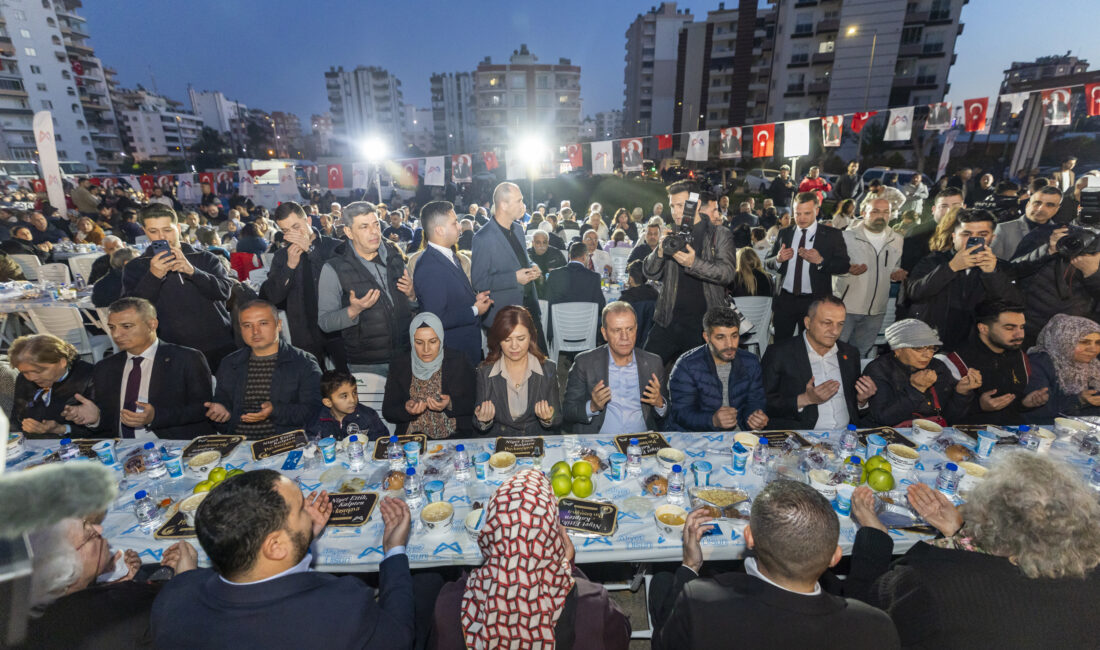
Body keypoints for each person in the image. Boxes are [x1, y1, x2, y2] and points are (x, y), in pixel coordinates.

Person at [848, 453, 1100, 649]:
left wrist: (874, 536)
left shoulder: (937, 580)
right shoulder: (1090, 573)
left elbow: (862, 618)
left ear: (988, 521)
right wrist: (959, 535)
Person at [152, 470, 415, 649]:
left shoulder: (173, 597)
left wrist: (301, 538)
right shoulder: (343, 607)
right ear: (275, 546)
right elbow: (400, 638)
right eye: (301, 509)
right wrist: (394, 549)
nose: (309, 514)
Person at [651, 480, 900, 650]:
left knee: (663, 582)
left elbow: (663, 644)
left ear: (749, 537)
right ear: (835, 557)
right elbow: (861, 600)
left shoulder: (700, 601)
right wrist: (875, 536)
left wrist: (690, 566)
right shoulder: (877, 628)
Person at [431, 470, 631, 649]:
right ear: (553, 536)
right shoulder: (592, 603)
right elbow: (621, 636)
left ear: (491, 531)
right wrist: (568, 568)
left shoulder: (450, 603)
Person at [23, 517, 197, 650]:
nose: (99, 529)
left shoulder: (32, 611)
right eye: (89, 534)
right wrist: (187, 577)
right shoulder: (113, 617)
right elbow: (189, 626)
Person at [61, 297, 214, 440]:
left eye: (126, 326)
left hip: (173, 443)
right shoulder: (106, 367)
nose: (116, 334)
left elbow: (202, 408)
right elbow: (110, 422)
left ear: (152, 324)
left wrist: (156, 417)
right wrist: (96, 418)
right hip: (124, 449)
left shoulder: (185, 358)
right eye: (112, 327)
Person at [122, 204, 236, 372]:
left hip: (217, 343)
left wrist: (193, 271)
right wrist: (153, 276)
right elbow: (131, 311)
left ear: (178, 227)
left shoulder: (204, 257)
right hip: (170, 348)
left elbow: (224, 292)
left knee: (226, 395)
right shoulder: (136, 266)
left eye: (167, 230)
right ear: (144, 231)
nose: (161, 237)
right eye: (153, 231)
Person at [318, 201, 416, 375]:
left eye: (376, 224)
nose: (374, 232)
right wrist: (353, 311)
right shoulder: (334, 268)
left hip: (406, 357)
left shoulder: (395, 258)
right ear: (348, 232)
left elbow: (411, 307)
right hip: (367, 365)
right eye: (364, 227)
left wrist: (412, 296)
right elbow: (325, 322)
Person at [643, 184, 736, 365]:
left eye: (681, 205)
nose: (676, 211)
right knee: (646, 371)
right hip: (667, 320)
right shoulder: (672, 233)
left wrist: (694, 264)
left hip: (703, 325)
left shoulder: (719, 234)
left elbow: (727, 273)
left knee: (698, 383)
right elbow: (649, 272)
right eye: (672, 206)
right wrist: (660, 252)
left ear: (696, 204)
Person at [906, 209, 1021, 350]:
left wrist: (992, 274)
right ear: (954, 237)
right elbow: (915, 293)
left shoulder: (1001, 268)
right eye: (966, 234)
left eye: (982, 235)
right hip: (933, 343)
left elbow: (1013, 305)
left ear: (992, 238)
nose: (973, 240)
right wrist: (951, 268)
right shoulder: (933, 261)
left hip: (976, 346)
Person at [205, 300, 322, 438]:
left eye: (263, 323)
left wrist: (274, 411)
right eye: (247, 325)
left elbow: (314, 410)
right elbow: (224, 408)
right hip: (240, 444)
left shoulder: (303, 362)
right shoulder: (230, 363)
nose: (255, 331)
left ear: (278, 325)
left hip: (285, 444)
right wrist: (221, 413)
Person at [762, 296, 877, 430]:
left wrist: (862, 400)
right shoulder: (780, 353)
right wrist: (805, 399)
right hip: (801, 438)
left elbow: (857, 410)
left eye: (840, 324)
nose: (834, 331)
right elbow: (762, 403)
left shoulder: (850, 354)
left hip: (846, 437)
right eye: (827, 323)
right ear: (808, 322)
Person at [261, 202, 346, 372]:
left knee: (349, 379)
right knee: (314, 383)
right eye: (286, 231)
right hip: (304, 329)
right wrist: (289, 267)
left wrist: (311, 250)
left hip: (338, 328)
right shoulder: (281, 256)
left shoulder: (335, 246)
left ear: (308, 220)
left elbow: (343, 282)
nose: (292, 234)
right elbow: (272, 297)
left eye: (296, 226)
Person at [937, 301, 1049, 425]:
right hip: (965, 437)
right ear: (983, 328)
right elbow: (940, 416)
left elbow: (1011, 406)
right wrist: (979, 406)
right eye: (1009, 328)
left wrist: (1025, 403)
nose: (1020, 334)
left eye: (1022, 327)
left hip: (1009, 436)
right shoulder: (955, 362)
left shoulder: (1020, 356)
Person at [563, 302, 668, 434]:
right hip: (601, 443)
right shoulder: (585, 363)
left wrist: (660, 404)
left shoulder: (653, 363)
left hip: (641, 441)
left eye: (629, 329)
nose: (625, 337)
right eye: (617, 330)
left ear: (636, 329)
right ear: (604, 333)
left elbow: (665, 413)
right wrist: (592, 406)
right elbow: (568, 411)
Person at [414, 201, 492, 367]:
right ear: (440, 230)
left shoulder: (446, 255)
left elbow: (450, 299)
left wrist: (472, 299)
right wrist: (476, 309)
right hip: (453, 355)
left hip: (463, 351)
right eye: (454, 222)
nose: (459, 227)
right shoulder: (431, 266)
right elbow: (436, 318)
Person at [765, 192, 850, 342]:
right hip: (785, 300)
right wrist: (778, 259)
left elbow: (844, 265)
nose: (801, 218)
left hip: (815, 302)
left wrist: (821, 261)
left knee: (811, 345)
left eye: (807, 213)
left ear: (817, 211)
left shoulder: (831, 235)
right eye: (797, 213)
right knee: (780, 345)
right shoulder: (785, 233)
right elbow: (767, 262)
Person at [863, 319, 981, 426]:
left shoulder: (937, 366)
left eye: (931, 348)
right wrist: (916, 390)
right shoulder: (879, 370)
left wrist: (961, 393)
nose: (928, 355)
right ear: (898, 349)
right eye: (918, 348)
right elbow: (883, 419)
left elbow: (950, 418)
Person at [471, 182, 546, 349]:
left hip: (530, 309)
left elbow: (522, 259)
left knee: (539, 366)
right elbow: (479, 281)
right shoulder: (483, 237)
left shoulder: (518, 229)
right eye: (519, 201)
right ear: (503, 204)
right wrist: (514, 278)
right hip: (504, 318)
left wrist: (532, 266)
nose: (523, 205)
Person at [668, 306, 768, 432]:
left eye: (734, 336)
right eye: (721, 337)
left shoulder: (751, 362)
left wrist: (754, 418)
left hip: (740, 435)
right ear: (707, 337)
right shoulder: (686, 365)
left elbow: (756, 401)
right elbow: (681, 413)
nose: (729, 344)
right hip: (698, 436)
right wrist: (712, 420)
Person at [382, 313, 476, 438]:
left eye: (433, 341)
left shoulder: (458, 361)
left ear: (441, 339)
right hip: (412, 439)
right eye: (419, 342)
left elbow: (475, 402)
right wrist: (406, 409)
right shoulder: (400, 365)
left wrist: (450, 404)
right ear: (411, 341)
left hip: (454, 436)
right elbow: (388, 411)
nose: (426, 349)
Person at [473, 305, 562, 436]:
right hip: (499, 445)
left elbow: (558, 418)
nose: (514, 346)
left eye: (521, 339)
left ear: (531, 337)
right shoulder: (485, 372)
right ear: (498, 340)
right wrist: (483, 421)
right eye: (507, 339)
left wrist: (548, 419)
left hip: (536, 442)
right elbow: (476, 421)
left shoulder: (548, 368)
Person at [835, 198, 904, 356]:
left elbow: (893, 267)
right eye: (875, 211)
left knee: (860, 355)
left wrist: (896, 274)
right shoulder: (845, 237)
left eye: (886, 212)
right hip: (846, 308)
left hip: (876, 312)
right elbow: (831, 267)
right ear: (863, 213)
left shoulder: (897, 239)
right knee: (835, 353)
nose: (881, 216)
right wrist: (847, 269)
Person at [8, 334, 95, 438]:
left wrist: (63, 429)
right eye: (25, 372)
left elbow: (104, 429)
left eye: (39, 371)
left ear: (62, 362)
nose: (31, 378)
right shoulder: (24, 379)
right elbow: (16, 419)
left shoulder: (90, 378)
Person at [1026, 313, 1100, 422]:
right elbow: (1038, 410)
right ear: (1064, 340)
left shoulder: (1093, 365)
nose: (1093, 349)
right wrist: (1079, 400)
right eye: (1084, 342)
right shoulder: (1039, 363)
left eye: (1098, 343)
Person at [545, 241, 605, 343]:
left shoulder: (554, 275)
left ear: (569, 256)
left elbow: (547, 301)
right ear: (585, 257)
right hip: (585, 330)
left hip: (560, 329)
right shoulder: (594, 277)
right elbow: (601, 305)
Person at [308, 370, 388, 441]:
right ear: (328, 402)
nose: (353, 400)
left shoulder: (369, 416)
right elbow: (310, 444)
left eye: (354, 392)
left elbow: (382, 442)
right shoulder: (317, 421)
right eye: (344, 396)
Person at [990, 185, 1061, 261]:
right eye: (1037, 203)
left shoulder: (1060, 234)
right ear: (1027, 205)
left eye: (1049, 205)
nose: (1041, 208)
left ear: (1057, 209)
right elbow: (993, 266)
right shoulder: (1004, 229)